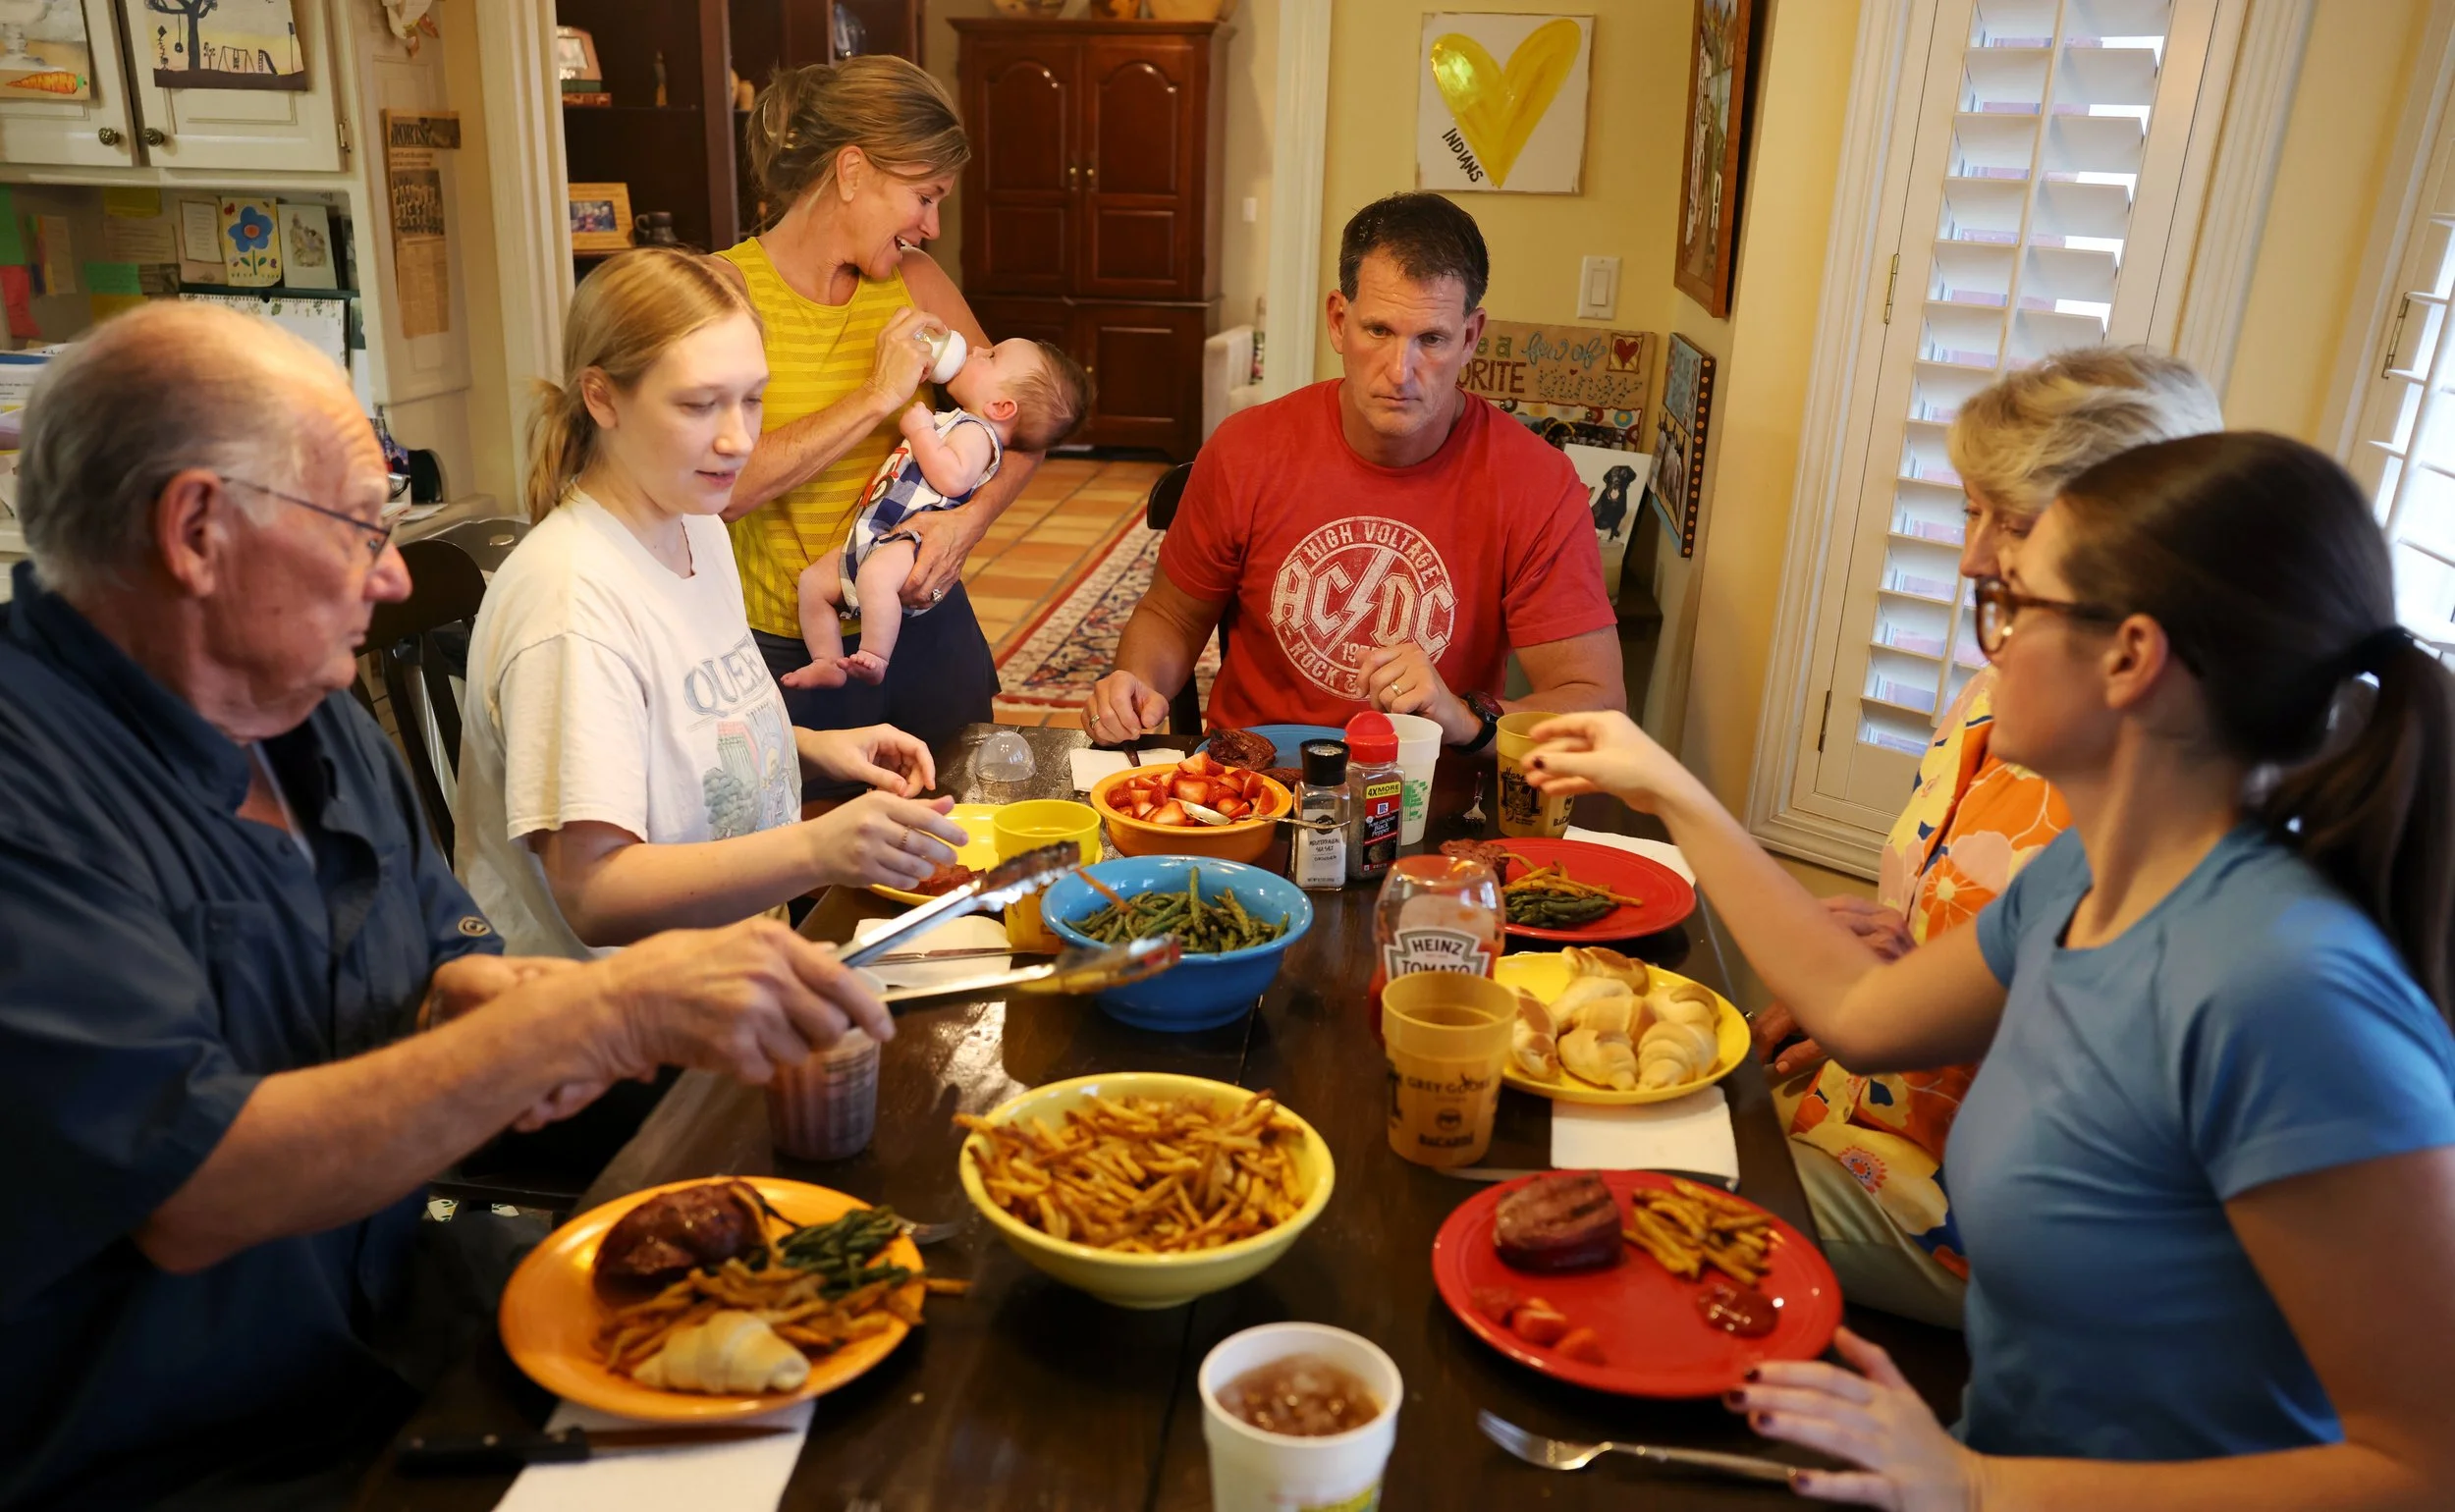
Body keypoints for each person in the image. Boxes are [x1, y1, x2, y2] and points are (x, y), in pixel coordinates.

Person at [0, 303, 899, 1508]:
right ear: (197, 530)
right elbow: (196, 1188)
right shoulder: (31, 791)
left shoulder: (301, 708)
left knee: (828, 1390)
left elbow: (437, 959)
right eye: (362, 526)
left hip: (394, 1307)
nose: (388, 571)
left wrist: (501, 992)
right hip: (186, 1441)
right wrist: (601, 1016)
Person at [1524, 433, 2455, 1501]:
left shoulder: (2290, 993)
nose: (1990, 642)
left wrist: (1979, 1486)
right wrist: (1670, 791)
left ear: (2130, 656)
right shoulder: (2082, 880)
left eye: (2012, 607)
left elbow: (2419, 1467)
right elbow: (1863, 1009)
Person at [1752, 349, 2222, 1327]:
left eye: (2007, 523)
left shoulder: (2131, 796)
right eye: (1969, 512)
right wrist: (1881, 944)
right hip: (1853, 1107)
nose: (1971, 556)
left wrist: (1878, 1003)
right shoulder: (1988, 703)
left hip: (1953, 1211)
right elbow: (1952, 938)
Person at [457, 248, 971, 963]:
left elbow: (681, 734)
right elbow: (593, 895)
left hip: (732, 968)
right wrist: (818, 848)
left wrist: (813, 748)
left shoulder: (696, 525)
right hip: (613, 1036)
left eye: (753, 398)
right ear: (601, 397)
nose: (738, 439)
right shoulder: (571, 603)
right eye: (699, 405)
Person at [1086, 191, 1624, 752]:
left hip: (1431, 792)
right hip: (1251, 787)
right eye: (1378, 331)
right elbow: (1171, 615)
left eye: (1432, 339)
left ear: (1470, 337)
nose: (1401, 371)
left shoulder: (1537, 482)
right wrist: (1137, 688)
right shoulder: (1246, 449)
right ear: (1339, 321)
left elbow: (1596, 708)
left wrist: (1461, 718)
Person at [718, 56, 1037, 763]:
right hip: (791, 656)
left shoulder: (916, 284)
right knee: (813, 868)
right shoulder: (725, 292)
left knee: (963, 850)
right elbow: (722, 490)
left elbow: (1024, 424)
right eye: (924, 196)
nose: (932, 226)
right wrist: (876, 398)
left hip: (929, 637)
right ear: (853, 171)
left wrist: (963, 526)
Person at [790, 337, 1089, 687]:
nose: (977, 350)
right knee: (813, 583)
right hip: (878, 532)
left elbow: (953, 479)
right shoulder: (959, 422)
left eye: (991, 357)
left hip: (911, 536)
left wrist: (920, 432)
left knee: (875, 579)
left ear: (1001, 408)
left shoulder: (978, 434)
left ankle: (876, 654)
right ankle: (826, 659)